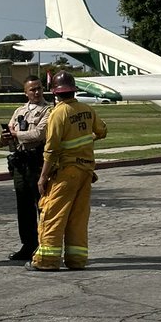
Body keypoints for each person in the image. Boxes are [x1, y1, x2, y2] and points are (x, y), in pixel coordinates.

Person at [28, 71, 107, 272]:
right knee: (78, 217)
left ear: (55, 92)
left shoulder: (58, 113)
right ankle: (76, 259)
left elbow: (51, 148)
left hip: (66, 173)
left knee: (53, 215)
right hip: (86, 171)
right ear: (73, 90)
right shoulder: (87, 109)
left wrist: (43, 177)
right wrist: (85, 142)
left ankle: (47, 260)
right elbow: (102, 131)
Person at [0, 76, 51, 262]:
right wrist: (4, 138)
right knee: (23, 207)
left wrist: (16, 134)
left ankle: (46, 244)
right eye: (32, 89)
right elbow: (7, 136)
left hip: (37, 163)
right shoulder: (20, 111)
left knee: (42, 205)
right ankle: (28, 245)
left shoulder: (49, 110)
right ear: (25, 92)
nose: (37, 92)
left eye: (39, 88)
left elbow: (39, 134)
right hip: (20, 163)